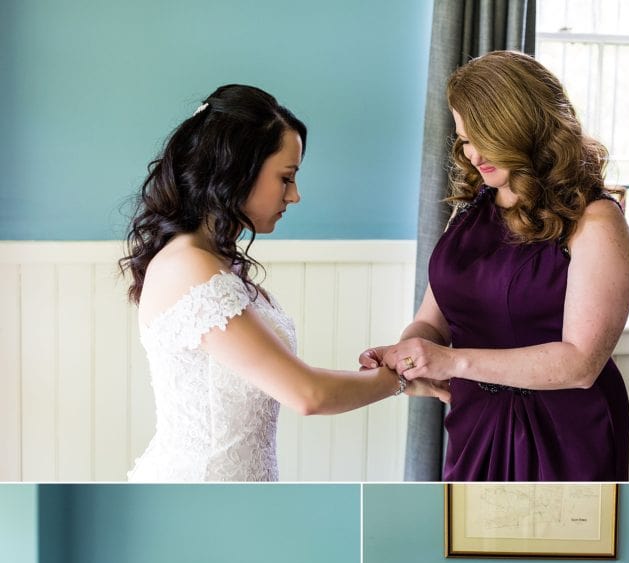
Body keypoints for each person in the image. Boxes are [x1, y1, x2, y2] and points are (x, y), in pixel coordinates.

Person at [121, 84, 448, 482]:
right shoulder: (189, 266)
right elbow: (307, 394)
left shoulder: (211, 262)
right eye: (286, 178)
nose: (294, 196)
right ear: (237, 170)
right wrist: (398, 377)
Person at [360, 51, 629, 481]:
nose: (472, 154)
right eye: (464, 138)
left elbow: (580, 364)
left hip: (564, 432)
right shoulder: (469, 212)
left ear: (523, 126)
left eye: (484, 136)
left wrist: (451, 363)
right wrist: (408, 353)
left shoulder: (596, 220)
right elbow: (431, 324)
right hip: (474, 421)